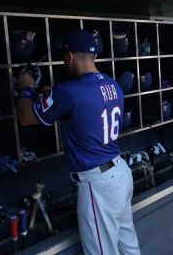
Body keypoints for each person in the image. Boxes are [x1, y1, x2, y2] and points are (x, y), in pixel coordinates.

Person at [16, 29, 140, 255]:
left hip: (98, 183)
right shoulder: (114, 84)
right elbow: (84, 109)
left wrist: (25, 89)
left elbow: (25, 118)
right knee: (128, 246)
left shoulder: (68, 91)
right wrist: (52, 97)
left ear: (70, 56)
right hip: (120, 172)